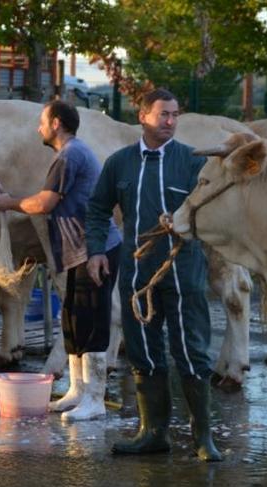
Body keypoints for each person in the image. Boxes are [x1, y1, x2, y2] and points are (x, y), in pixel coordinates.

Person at [85, 88, 222, 461]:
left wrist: (187, 224)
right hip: (136, 272)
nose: (170, 121)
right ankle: (152, 433)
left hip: (183, 270)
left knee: (192, 350)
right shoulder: (120, 163)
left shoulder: (193, 162)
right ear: (142, 116)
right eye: (163, 114)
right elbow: (97, 209)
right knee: (143, 348)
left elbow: (213, 209)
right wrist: (96, 250)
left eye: (175, 114)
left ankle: (203, 437)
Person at [0, 100, 122, 421]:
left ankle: (95, 398)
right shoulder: (67, 155)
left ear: (56, 124)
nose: (38, 127)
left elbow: (45, 203)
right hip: (77, 251)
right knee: (74, 321)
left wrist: (9, 202)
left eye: (42, 121)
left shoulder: (70, 155)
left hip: (96, 251)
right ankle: (77, 391)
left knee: (92, 322)